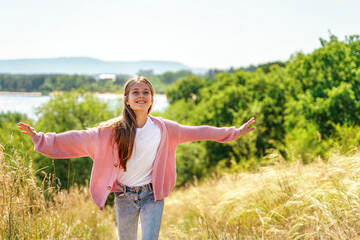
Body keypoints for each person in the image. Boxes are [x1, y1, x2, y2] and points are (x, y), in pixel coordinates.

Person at [18, 75, 256, 240]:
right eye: (136, 92)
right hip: (124, 196)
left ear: (152, 99)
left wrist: (234, 132)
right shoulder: (110, 132)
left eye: (146, 92)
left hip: (152, 194)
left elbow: (200, 131)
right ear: (127, 99)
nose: (141, 95)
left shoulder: (165, 128)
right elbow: (77, 138)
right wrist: (40, 138)